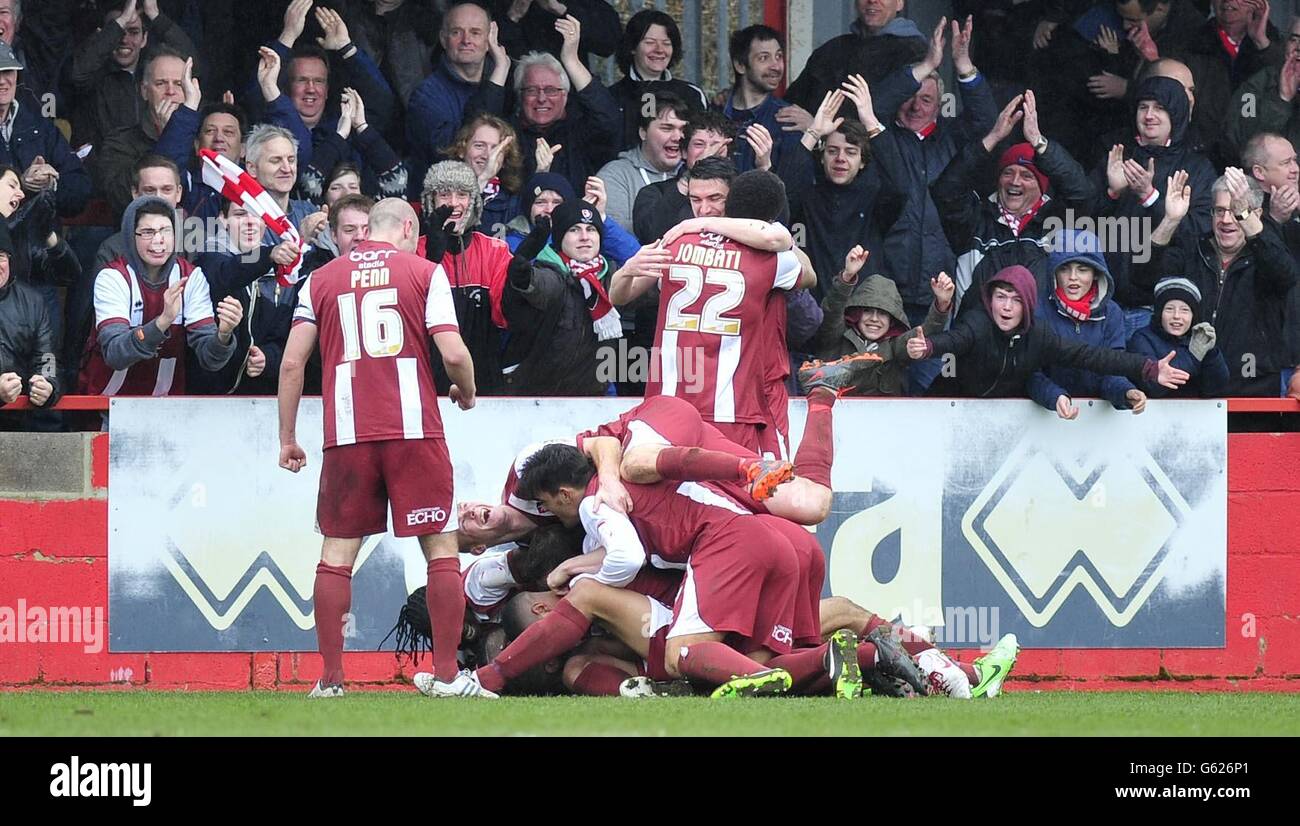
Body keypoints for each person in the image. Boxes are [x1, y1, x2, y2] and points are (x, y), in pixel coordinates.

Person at [277, 198, 483, 699]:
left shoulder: (321, 279)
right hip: (413, 430)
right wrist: (467, 392)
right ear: (409, 228)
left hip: (347, 435)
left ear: (368, 229)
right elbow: (453, 352)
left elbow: (291, 364)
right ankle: (447, 677)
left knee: (336, 556)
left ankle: (330, 680)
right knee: (439, 549)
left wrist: (287, 438)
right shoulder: (424, 271)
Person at [610, 171, 815, 455]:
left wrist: (693, 225)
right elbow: (808, 273)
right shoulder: (771, 255)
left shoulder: (677, 240)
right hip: (732, 403)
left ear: (733, 199)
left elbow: (617, 296)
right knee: (747, 489)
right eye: (695, 200)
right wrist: (628, 269)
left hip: (671, 400)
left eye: (714, 198)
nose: (704, 208)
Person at [907, 264, 1191, 415]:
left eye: (1016, 300)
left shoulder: (1039, 335)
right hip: (949, 409)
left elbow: (1091, 356)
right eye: (1000, 297)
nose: (1006, 307)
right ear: (989, 299)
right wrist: (928, 347)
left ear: (1028, 305)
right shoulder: (978, 321)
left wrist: (1148, 368)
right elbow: (955, 339)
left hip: (1008, 416)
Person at [1136, 166, 1298, 396]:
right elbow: (1142, 278)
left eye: (1236, 211)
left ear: (1256, 215)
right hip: (1192, 380)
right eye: (1219, 211)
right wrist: (1170, 220)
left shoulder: (1267, 253)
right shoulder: (1193, 249)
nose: (1226, 220)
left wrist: (1246, 217)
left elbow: (1286, 275)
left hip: (1252, 383)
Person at [931, 91, 1095, 316]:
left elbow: (1082, 193)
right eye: (1008, 172)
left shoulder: (1056, 221)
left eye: (1027, 176)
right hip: (976, 342)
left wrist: (1038, 141)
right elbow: (946, 189)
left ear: (1041, 187)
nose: (1015, 181)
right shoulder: (975, 219)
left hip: (1038, 343)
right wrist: (993, 137)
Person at [78, 196, 241, 396]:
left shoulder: (190, 277)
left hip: (165, 407)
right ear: (131, 236)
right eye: (148, 232)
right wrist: (162, 322)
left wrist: (223, 335)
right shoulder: (113, 276)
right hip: (106, 405)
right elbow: (115, 354)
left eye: (166, 231)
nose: (158, 240)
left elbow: (210, 360)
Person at [1091, 75, 1216, 329]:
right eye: (1143, 107)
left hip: (1159, 312)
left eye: (1160, 108)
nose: (1149, 115)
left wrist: (1151, 198)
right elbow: (1080, 221)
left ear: (1177, 115)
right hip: (1102, 303)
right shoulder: (1115, 154)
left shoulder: (1197, 168)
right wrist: (1111, 194)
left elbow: (1199, 231)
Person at [466, 16, 622, 193]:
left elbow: (609, 118)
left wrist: (571, 60)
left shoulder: (580, 131)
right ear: (520, 95)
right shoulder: (508, 135)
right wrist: (501, 67)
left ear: (564, 95)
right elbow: (476, 126)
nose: (541, 98)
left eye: (550, 90)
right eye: (531, 90)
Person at [500, 200, 617, 396]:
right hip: (536, 397)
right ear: (560, 237)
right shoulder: (550, 271)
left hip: (593, 398)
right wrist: (522, 274)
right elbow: (540, 285)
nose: (584, 237)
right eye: (574, 230)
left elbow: (642, 279)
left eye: (591, 229)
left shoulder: (611, 275)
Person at [418, 160, 514, 396]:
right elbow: (410, 317)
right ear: (430, 202)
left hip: (484, 383)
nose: (453, 203)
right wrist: (431, 262)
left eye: (462, 194)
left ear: (474, 202)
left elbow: (505, 318)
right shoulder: (413, 251)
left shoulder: (495, 250)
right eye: (444, 194)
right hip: (425, 382)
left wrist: (523, 283)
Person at [1030, 229, 1149, 417]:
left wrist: (1126, 392)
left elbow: (1112, 369)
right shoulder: (1038, 309)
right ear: (1054, 271)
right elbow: (1031, 373)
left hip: (1096, 424)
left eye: (1083, 269)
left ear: (1096, 272)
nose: (1073, 277)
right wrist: (1055, 397)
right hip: (1042, 416)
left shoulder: (1112, 313)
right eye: (1064, 268)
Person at [805, 247, 954, 396]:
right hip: (834, 416)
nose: (874, 319)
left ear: (893, 320)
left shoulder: (895, 346)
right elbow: (832, 310)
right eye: (868, 311)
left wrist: (942, 304)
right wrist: (847, 276)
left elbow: (925, 332)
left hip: (885, 417)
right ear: (857, 312)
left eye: (883, 314)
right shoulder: (836, 335)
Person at [191, 199, 302, 395]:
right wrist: (268, 256)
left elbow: (286, 335)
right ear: (223, 220)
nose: (250, 221)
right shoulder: (209, 258)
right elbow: (227, 276)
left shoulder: (282, 272)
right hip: (209, 398)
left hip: (262, 399)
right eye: (240, 214)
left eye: (257, 215)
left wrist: (268, 358)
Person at [63, 0, 197, 152]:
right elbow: (76, 74)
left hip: (154, 159)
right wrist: (122, 20)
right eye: (118, 31)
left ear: (144, 38)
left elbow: (190, 63)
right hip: (107, 165)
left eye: (133, 32)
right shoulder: (91, 76)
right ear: (104, 37)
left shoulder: (153, 75)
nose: (125, 40)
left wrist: (155, 15)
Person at [406, 3, 507, 182]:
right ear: (443, 40)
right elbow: (452, 150)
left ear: (489, 40)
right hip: (445, 198)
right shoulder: (426, 96)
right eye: (456, 32)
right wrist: (499, 72)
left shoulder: (508, 83)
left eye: (475, 32)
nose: (466, 40)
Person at [784, 0, 928, 113]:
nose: (872, 0)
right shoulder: (832, 49)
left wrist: (817, 127)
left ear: (899, 3)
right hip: (821, 147)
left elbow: (895, 110)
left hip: (878, 148)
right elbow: (792, 101)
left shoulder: (915, 52)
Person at [0, 41, 91, 219]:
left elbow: (80, 188)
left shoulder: (41, 127)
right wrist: (20, 184)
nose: (3, 81)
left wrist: (51, 184)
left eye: (8, 71)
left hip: (40, 242)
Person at [632, 112, 739, 243]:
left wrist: (764, 167)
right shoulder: (654, 192)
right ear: (683, 151)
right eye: (699, 144)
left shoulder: (740, 193)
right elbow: (650, 236)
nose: (708, 152)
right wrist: (700, 168)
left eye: (716, 146)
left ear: (727, 153)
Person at [607, 10, 707, 150]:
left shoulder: (692, 94)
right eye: (650, 42)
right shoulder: (611, 97)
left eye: (666, 43)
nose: (659, 50)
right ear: (632, 48)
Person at [595, 93, 687, 230]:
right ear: (643, 132)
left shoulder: (692, 173)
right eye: (667, 128)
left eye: (683, 130)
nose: (678, 137)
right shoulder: (615, 175)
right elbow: (612, 234)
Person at [0, 220, 60, 428]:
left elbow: (48, 357)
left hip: (20, 421)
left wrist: (49, 384)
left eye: (1, 256)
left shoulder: (33, 301)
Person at [722, 24, 804, 174]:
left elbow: (794, 190)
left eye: (778, 56)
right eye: (764, 58)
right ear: (740, 65)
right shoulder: (716, 112)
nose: (776, 66)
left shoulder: (788, 121)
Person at [1127, 276, 1229, 397]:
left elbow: (1216, 388)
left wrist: (1211, 352)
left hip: (1196, 413)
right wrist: (1192, 357)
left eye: (1184, 310)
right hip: (1153, 412)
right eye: (1169, 309)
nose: (1176, 316)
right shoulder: (1142, 338)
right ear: (1159, 313)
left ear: (1193, 315)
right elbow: (1153, 387)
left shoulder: (1198, 339)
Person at [444, 113, 524, 236]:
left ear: (505, 159)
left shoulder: (514, 202)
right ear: (461, 150)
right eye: (479, 146)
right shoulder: (441, 193)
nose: (487, 155)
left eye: (496, 149)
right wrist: (482, 180)